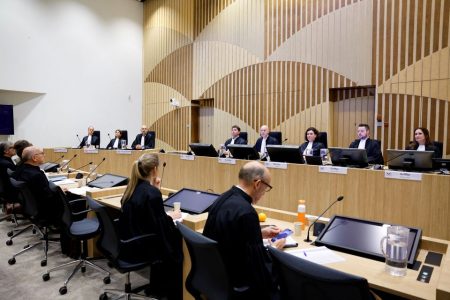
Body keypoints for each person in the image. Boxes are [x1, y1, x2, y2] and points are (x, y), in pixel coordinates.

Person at [203, 161, 285, 299]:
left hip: (215, 277)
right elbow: (259, 268)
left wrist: (258, 232)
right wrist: (275, 250)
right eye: (267, 187)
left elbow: (230, 234)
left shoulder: (223, 197)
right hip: (238, 284)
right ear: (257, 184)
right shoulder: (247, 212)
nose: (265, 192)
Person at [118, 153, 182, 299]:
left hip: (127, 242)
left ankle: (157, 286)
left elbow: (148, 217)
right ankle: (168, 292)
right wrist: (170, 216)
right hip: (141, 246)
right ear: (154, 169)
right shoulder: (151, 193)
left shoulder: (131, 187)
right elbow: (160, 227)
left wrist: (155, 188)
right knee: (178, 242)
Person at [11, 146, 61, 223]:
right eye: (42, 153)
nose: (44, 155)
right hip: (45, 208)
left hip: (30, 206)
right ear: (34, 158)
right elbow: (48, 196)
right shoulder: (36, 175)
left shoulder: (21, 169)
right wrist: (60, 191)